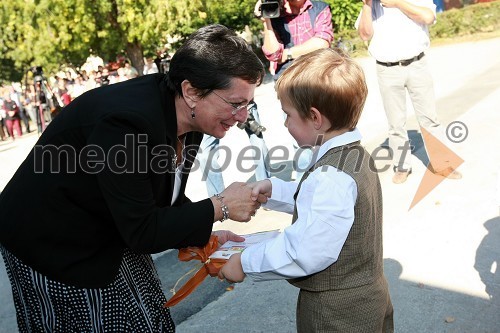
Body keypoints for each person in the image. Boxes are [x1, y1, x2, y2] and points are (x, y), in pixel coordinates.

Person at [0, 24, 266, 333]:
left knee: (144, 313)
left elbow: (164, 199)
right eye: (236, 103)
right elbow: (142, 230)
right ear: (192, 91)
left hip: (114, 224)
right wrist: (219, 206)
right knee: (93, 319)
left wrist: (201, 233)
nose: (244, 116)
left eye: (247, 104)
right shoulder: (126, 125)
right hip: (54, 239)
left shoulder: (187, 115)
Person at [219, 49, 394, 332]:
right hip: (367, 300)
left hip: (336, 315)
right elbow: (324, 208)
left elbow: (306, 251)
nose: (285, 123)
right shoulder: (353, 157)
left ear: (315, 118)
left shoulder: (331, 176)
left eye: (288, 115)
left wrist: (245, 262)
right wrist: (275, 190)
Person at [356, 0, 462, 184]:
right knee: (395, 122)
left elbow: (428, 17)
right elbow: (364, 35)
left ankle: (442, 163)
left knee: (429, 118)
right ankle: (402, 166)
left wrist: (397, 3)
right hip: (387, 69)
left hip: (416, 64)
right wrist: (366, 5)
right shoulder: (372, 5)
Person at [254, 0, 334, 180]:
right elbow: (273, 53)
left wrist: (288, 54)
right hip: (290, 87)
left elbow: (322, 41)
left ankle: (331, 181)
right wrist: (266, 19)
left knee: (328, 136)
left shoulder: (319, 7)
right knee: (301, 143)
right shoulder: (275, 10)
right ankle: (303, 190)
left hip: (318, 81)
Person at [197, 100, 271, 197]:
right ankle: (264, 191)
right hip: (230, 105)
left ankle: (219, 199)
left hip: (221, 105)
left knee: (206, 154)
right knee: (206, 155)